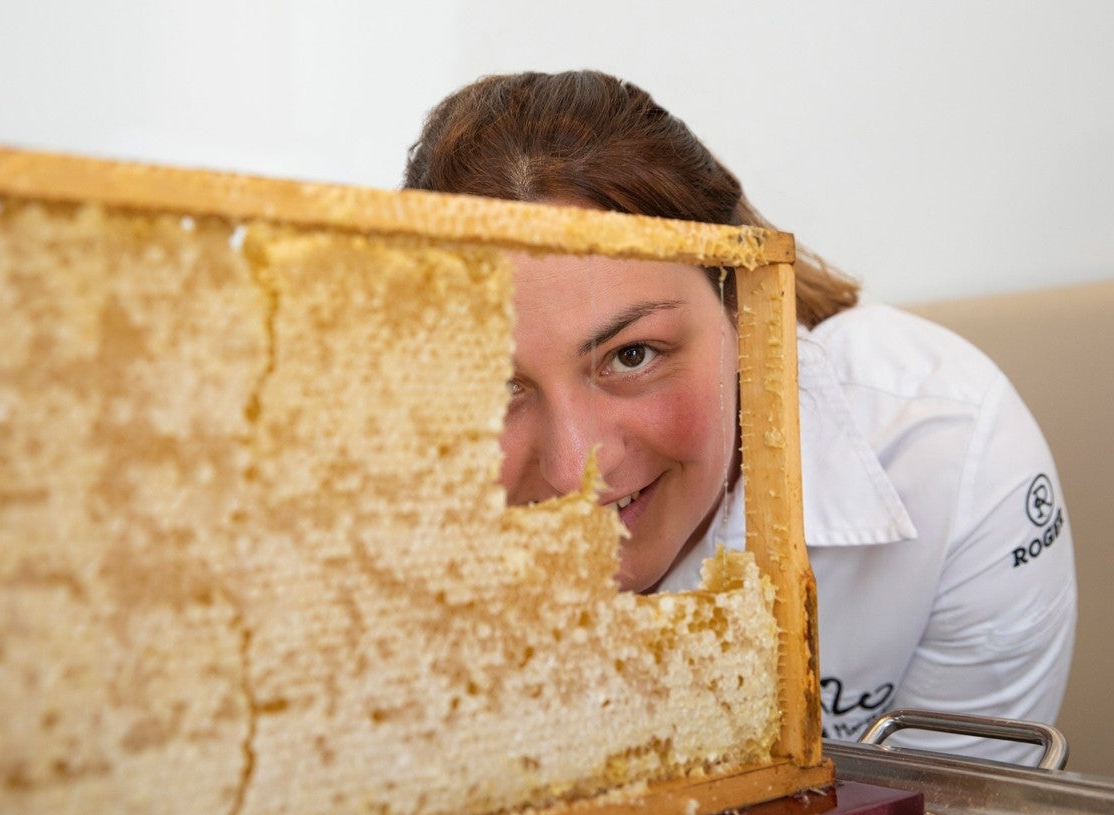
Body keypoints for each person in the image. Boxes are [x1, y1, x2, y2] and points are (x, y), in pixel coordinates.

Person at [403, 69, 1077, 764]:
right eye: (495, 382)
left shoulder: (951, 457)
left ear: (742, 307)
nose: (575, 468)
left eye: (632, 354)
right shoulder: (362, 496)